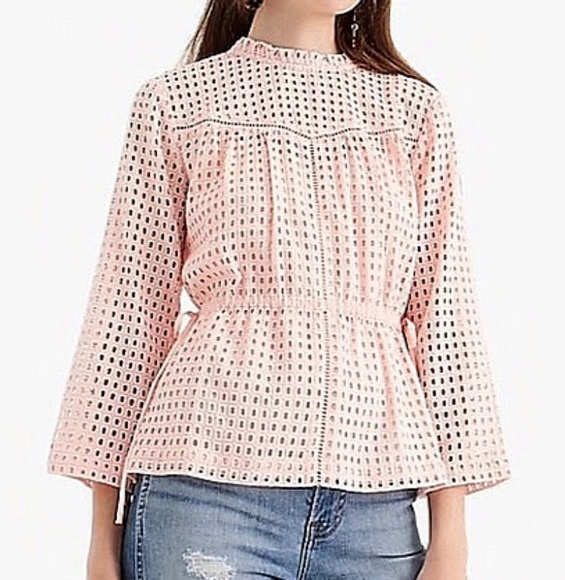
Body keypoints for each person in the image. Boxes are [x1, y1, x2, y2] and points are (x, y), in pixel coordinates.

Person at [47, 1, 512, 578]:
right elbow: (127, 314)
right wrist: (101, 533)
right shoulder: (177, 103)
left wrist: (453, 535)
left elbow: (446, 322)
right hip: (204, 496)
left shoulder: (413, 112)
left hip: (375, 508)